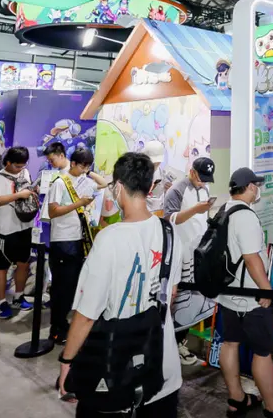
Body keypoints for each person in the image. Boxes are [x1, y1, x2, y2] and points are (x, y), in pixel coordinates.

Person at [57, 152, 181, 418]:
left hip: (115, 372)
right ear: (150, 186)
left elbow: (86, 315)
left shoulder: (109, 239)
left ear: (118, 187)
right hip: (163, 368)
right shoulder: (170, 233)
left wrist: (67, 361)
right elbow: (170, 294)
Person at [218, 168, 273, 417]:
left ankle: (236, 400)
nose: (258, 190)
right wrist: (267, 291)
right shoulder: (245, 216)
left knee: (230, 343)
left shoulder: (223, 210)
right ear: (249, 187)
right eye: (256, 186)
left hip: (227, 293)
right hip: (250, 298)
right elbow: (252, 259)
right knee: (262, 352)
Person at [161, 156, 215, 366]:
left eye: (206, 179)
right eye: (200, 178)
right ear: (192, 172)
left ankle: (180, 342)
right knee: (179, 301)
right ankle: (171, 345)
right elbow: (169, 219)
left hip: (198, 252)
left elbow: (201, 220)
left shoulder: (205, 190)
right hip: (180, 254)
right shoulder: (177, 190)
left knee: (194, 302)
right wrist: (195, 210)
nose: (203, 183)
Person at [48, 148, 100, 347]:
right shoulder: (60, 182)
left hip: (78, 239)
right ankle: (56, 329)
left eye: (88, 166)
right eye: (82, 166)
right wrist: (79, 203)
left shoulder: (84, 181)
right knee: (61, 288)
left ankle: (63, 325)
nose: (84, 170)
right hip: (62, 240)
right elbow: (53, 211)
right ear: (73, 163)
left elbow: (104, 185)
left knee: (72, 287)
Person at [0, 146, 37, 318]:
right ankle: (1, 303)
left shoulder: (25, 173)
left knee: (23, 264)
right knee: (2, 267)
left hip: (25, 226)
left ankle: (18, 296)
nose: (20, 169)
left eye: (23, 165)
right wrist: (18, 195)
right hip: (5, 230)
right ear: (8, 162)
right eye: (17, 166)